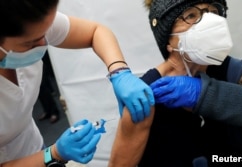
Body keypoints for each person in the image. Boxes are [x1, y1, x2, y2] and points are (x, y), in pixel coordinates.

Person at [0, 0, 155, 166]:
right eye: (30, 42)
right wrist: (53, 154)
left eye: (45, 33)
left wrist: (119, 72)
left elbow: (96, 32)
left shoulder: (31, 23)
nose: (44, 43)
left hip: (33, 146)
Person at [108, 0, 242, 166]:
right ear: (167, 39)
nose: (209, 23)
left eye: (213, 13)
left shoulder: (237, 73)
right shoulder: (145, 95)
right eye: (191, 15)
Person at [150, 59, 242, 127]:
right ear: (169, 44)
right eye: (189, 25)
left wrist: (207, 94)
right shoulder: (150, 85)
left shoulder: (232, 69)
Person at [38, 50, 60, 123]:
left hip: (36, 61)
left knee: (44, 87)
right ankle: (47, 110)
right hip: (26, 64)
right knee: (38, 90)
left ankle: (54, 111)